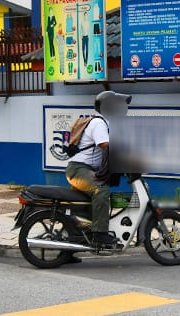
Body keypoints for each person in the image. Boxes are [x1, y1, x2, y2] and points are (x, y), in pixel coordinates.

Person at [65, 92, 122, 250]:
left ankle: (73, 246)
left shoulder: (106, 122)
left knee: (84, 208)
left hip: (83, 169)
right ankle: (99, 234)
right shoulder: (99, 124)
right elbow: (106, 145)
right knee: (101, 190)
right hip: (79, 169)